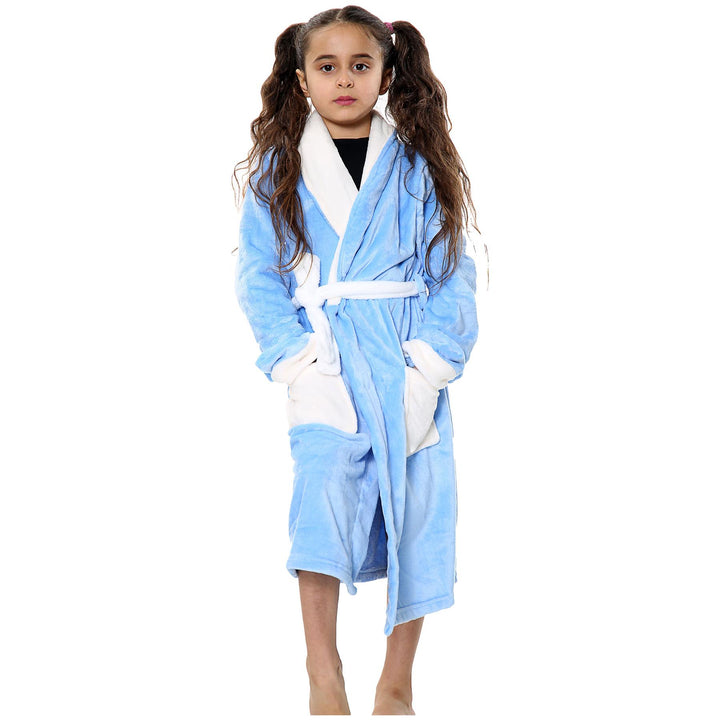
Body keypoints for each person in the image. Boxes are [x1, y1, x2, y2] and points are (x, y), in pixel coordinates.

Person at [233, 6, 480, 715]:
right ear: (302, 79)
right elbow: (257, 274)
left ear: (387, 74)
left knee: (419, 507)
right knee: (320, 503)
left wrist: (429, 365)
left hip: (404, 357)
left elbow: (452, 271)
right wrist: (297, 360)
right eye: (327, 66)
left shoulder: (419, 165)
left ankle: (397, 682)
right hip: (329, 360)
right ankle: (323, 669)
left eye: (360, 65)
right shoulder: (280, 168)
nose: (344, 79)